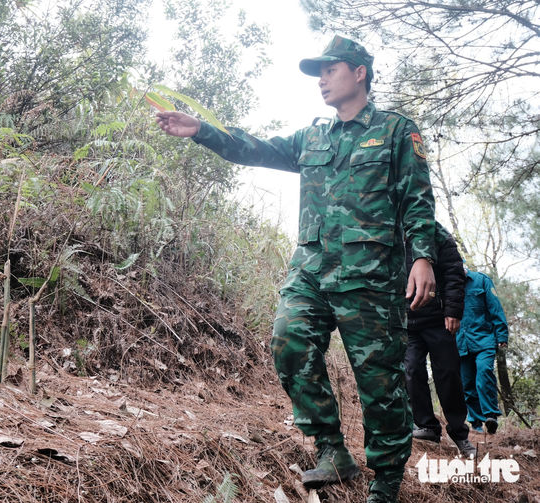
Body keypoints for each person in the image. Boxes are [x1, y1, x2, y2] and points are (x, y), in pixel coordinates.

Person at [155, 35, 437, 503]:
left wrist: (423, 256)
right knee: (288, 341)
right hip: (310, 271)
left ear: (359, 72)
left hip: (369, 279)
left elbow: (417, 200)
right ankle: (332, 450)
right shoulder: (313, 136)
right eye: (319, 73)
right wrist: (201, 129)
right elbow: (255, 149)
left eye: (330, 70)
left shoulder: (395, 131)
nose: (322, 80)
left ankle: (385, 482)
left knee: (380, 383)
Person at [404, 222, 476, 458]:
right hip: (407, 322)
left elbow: (455, 273)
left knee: (448, 374)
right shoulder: (390, 231)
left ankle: (459, 433)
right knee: (412, 369)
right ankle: (426, 426)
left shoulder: (437, 234)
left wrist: (453, 311)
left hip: (439, 319)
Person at [456, 268, 509, 434]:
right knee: (467, 384)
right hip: (460, 342)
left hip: (484, 338)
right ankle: (476, 423)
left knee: (484, 371)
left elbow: (495, 307)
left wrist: (502, 334)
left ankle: (490, 415)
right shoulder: (448, 283)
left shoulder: (481, 280)